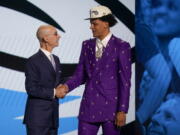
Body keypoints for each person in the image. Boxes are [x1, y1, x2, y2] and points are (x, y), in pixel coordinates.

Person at [59, 5, 131, 135]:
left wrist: (122, 110)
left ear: (106, 23)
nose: (91, 27)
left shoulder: (121, 46)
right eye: (91, 24)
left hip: (112, 109)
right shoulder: (87, 45)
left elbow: (125, 81)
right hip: (89, 106)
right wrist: (65, 87)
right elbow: (80, 75)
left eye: (94, 24)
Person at [23, 25, 67, 135]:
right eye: (55, 34)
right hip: (37, 120)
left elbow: (57, 82)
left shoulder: (56, 59)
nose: (59, 36)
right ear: (46, 38)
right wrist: (54, 92)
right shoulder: (33, 61)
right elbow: (31, 88)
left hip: (53, 118)